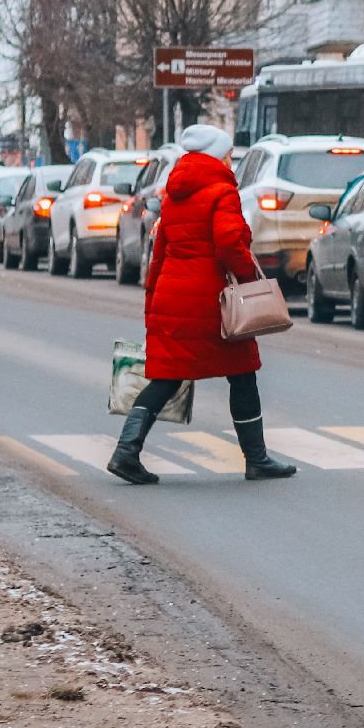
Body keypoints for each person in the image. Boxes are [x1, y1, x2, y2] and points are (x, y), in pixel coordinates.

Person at [107, 124, 297, 485]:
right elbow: (228, 243)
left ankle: (125, 452)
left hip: (172, 296)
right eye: (228, 153)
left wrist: (152, 303)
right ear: (216, 156)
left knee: (166, 377)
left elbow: (159, 253)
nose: (231, 159)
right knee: (243, 374)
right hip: (211, 302)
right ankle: (256, 459)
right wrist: (251, 281)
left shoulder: (173, 194)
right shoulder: (221, 191)